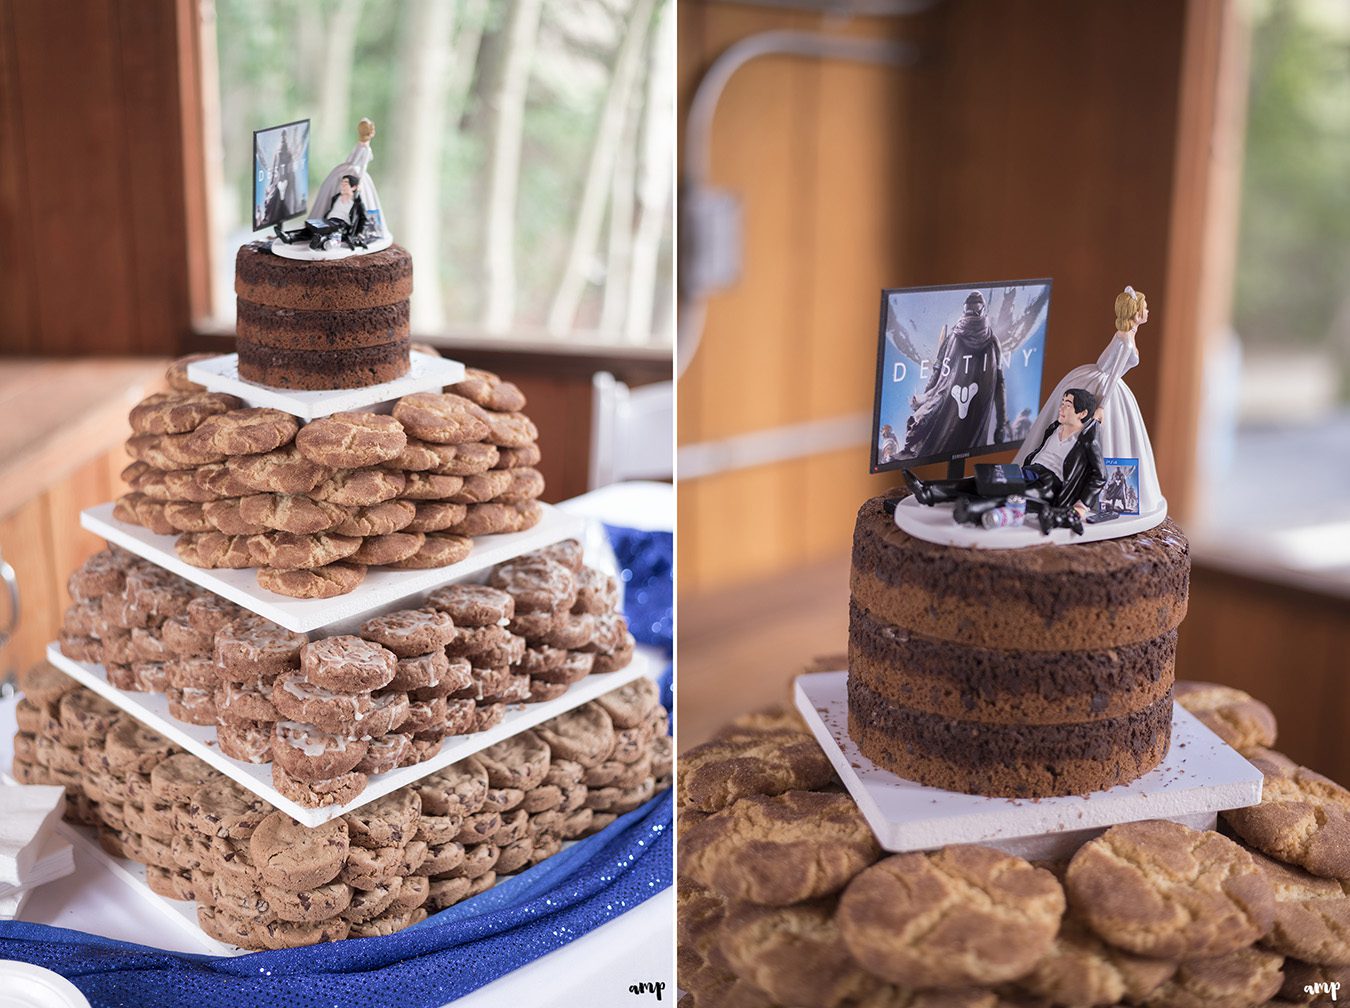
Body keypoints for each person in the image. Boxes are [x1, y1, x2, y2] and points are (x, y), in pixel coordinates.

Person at [1013, 285, 1162, 514]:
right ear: (1135, 313)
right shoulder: (1124, 339)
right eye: (1145, 308)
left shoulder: (1129, 334)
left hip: (1103, 381)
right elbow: (1112, 374)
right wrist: (1101, 405)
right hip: (1104, 387)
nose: (1148, 311)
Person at [903, 387, 1105, 532]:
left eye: (1067, 405)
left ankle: (970, 511)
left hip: (1049, 485)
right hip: (1031, 470)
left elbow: (1099, 475)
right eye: (1062, 403)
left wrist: (1082, 506)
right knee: (985, 480)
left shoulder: (1086, 441)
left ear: (1082, 413)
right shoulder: (1055, 428)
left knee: (1011, 496)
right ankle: (929, 491)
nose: (1061, 408)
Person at [900, 291, 1009, 460]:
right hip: (971, 426)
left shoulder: (956, 338)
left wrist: (924, 400)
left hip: (954, 425)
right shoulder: (992, 342)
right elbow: (1000, 386)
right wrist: (1000, 425)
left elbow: (937, 374)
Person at [309, 117, 385, 244]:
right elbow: (362, 166)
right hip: (353, 174)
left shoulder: (362, 146)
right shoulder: (364, 148)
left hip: (349, 172)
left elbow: (354, 160)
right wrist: (358, 180)